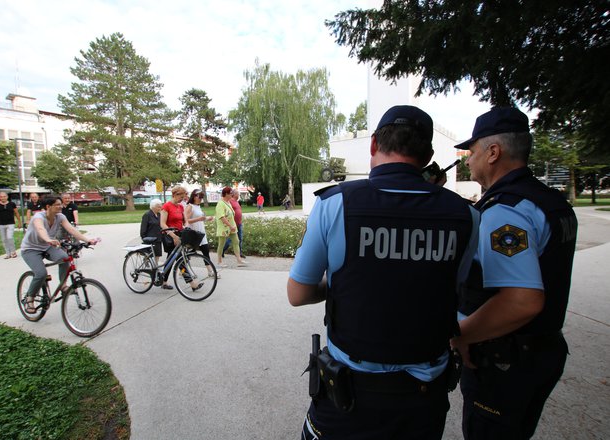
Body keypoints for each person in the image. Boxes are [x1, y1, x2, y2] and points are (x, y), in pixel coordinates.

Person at [287, 105, 479, 439]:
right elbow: (455, 287)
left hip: (350, 398)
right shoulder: (466, 215)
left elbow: (298, 293)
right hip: (423, 399)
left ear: (374, 144)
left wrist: (339, 285)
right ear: (429, 154)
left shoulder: (335, 203)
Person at [450, 107, 577, 440]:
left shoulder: (505, 212)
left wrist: (461, 335)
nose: (467, 160)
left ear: (494, 152)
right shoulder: (552, 202)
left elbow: (522, 301)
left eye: (472, 152)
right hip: (539, 351)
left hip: (503, 360)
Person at [20, 195, 99, 313]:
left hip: (48, 246)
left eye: (60, 204)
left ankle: (63, 285)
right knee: (41, 273)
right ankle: (30, 298)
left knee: (65, 258)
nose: (60, 206)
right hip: (31, 249)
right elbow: (40, 229)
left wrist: (87, 240)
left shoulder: (60, 217)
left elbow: (71, 230)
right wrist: (48, 239)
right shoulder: (38, 217)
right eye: (57, 204)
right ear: (48, 206)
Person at [185, 189, 218, 277]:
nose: (200, 199)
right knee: (189, 254)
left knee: (205, 251)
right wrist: (199, 219)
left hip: (201, 233)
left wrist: (207, 218)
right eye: (199, 197)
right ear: (194, 196)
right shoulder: (190, 206)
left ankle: (210, 271)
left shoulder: (198, 206)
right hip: (194, 234)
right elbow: (186, 220)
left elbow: (200, 218)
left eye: (202, 197)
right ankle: (184, 270)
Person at [215, 187, 246, 268]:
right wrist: (230, 226)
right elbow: (222, 217)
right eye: (230, 193)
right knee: (221, 244)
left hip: (232, 226)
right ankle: (219, 261)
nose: (232, 194)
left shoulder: (228, 202)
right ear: (226, 194)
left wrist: (232, 226)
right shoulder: (220, 204)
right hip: (224, 228)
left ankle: (239, 260)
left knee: (236, 241)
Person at [0, 191, 22, 259]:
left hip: (10, 223)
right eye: (1, 197)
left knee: (9, 237)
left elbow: (16, 213)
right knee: (4, 239)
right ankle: (8, 253)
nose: (3, 198)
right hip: (1, 224)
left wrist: (19, 222)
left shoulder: (12, 204)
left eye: (4, 196)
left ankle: (13, 252)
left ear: (7, 197)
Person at [222, 189, 245, 258]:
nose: (239, 195)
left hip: (239, 223)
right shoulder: (230, 201)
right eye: (238, 194)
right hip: (232, 224)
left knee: (240, 239)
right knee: (229, 240)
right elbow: (226, 211)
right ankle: (222, 251)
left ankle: (239, 253)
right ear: (234, 194)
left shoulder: (236, 202)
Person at [140, 198, 164, 264]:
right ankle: (146, 260)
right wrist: (144, 238)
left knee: (158, 254)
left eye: (161, 206)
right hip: (150, 238)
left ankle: (155, 266)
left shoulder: (159, 215)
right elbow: (143, 228)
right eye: (158, 206)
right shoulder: (147, 215)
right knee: (150, 254)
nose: (160, 208)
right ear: (153, 206)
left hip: (158, 238)